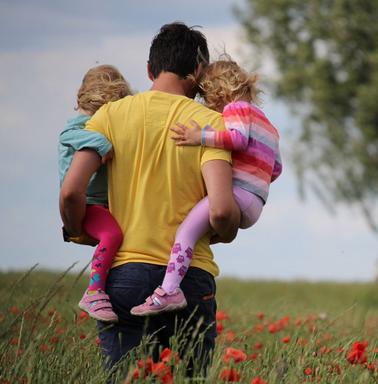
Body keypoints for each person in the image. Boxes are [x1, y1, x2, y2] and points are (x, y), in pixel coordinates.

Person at [59, 22, 240, 374]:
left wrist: (77, 228)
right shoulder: (210, 124)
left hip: (123, 276)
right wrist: (228, 229)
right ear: (199, 72)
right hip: (189, 279)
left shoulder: (109, 116)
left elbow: (70, 191)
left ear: (149, 69)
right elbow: (220, 210)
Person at [131, 57, 282, 316]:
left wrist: (198, 137)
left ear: (219, 91)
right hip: (256, 202)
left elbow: (236, 139)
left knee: (185, 232)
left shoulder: (236, 109)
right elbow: (276, 168)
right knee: (198, 233)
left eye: (206, 96)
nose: (206, 104)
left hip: (237, 195)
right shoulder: (268, 125)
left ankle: (169, 291)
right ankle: (177, 277)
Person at [58, 65, 131, 322]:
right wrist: (102, 144)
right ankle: (94, 290)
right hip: (88, 203)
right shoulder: (81, 125)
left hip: (101, 203)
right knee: (112, 234)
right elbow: (68, 135)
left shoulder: (95, 123)